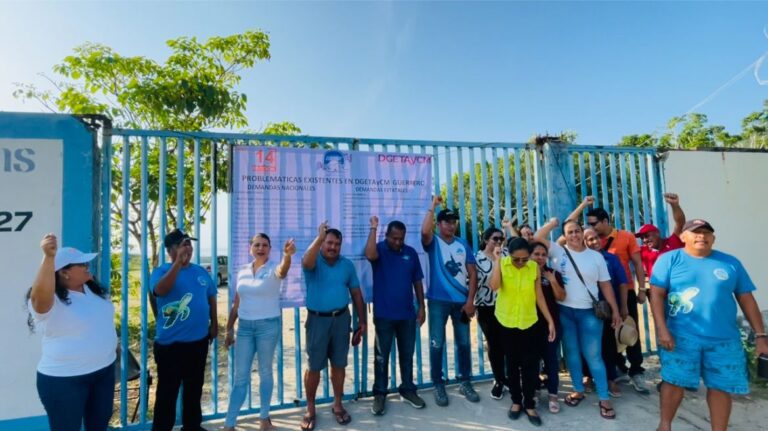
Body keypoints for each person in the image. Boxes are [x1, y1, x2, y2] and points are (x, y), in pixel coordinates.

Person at [650, 219, 768, 431]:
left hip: (724, 340)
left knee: (721, 387)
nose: (701, 236)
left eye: (706, 233)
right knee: (674, 382)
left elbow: (746, 299)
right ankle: (665, 425)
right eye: (695, 232)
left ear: (713, 238)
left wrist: (760, 335)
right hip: (681, 337)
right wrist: (662, 329)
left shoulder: (730, 263)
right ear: (683, 237)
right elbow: (657, 295)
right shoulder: (668, 260)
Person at [26, 234, 116, 431]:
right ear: (64, 272)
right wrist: (49, 258)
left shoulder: (93, 290)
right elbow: (38, 297)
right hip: (65, 381)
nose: (87, 266)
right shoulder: (49, 301)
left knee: (99, 426)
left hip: (103, 372)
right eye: (81, 264)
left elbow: (102, 323)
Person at [533, 218, 622, 420]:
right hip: (565, 312)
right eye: (569, 232)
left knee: (593, 356)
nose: (574, 235)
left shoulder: (596, 257)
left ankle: (604, 398)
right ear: (565, 235)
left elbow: (606, 285)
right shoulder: (558, 251)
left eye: (576, 231)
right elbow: (538, 238)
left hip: (589, 313)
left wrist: (615, 311)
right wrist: (552, 225)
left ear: (582, 232)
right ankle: (578, 390)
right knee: (572, 354)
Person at [224, 234, 296, 431]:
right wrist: (229, 328)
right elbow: (236, 303)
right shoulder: (242, 271)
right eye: (257, 245)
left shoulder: (274, 267)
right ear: (250, 248)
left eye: (265, 245)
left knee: (265, 372)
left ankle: (264, 418)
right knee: (240, 378)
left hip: (267, 326)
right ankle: (229, 424)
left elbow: (283, 271)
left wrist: (287, 256)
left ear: (270, 249)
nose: (260, 248)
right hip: (245, 328)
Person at [300, 223, 367, 431]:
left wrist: (362, 322)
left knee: (339, 365)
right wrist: (319, 238)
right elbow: (305, 261)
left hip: (341, 320)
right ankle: (310, 408)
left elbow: (356, 293)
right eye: (329, 242)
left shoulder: (347, 265)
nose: (333, 247)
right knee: (314, 367)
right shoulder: (314, 261)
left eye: (337, 244)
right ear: (322, 243)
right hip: (317, 321)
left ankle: (337, 404)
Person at [150, 228, 218, 431]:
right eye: (183, 244)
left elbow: (211, 296)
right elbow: (160, 291)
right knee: (167, 393)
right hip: (171, 345)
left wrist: (214, 324)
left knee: (194, 389)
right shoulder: (161, 271)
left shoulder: (200, 272)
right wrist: (178, 264)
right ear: (170, 250)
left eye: (189, 243)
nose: (188, 247)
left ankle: (192, 427)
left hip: (198, 342)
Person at [489, 238, 556, 427]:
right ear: (509, 254)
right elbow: (494, 287)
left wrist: (550, 320)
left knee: (530, 366)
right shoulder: (502, 264)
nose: (520, 263)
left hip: (529, 322)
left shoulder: (533, 267)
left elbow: (539, 296)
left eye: (524, 259)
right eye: (516, 259)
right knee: (511, 364)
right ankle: (516, 401)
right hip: (506, 322)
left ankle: (529, 403)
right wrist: (496, 262)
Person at [421, 196, 480, 406]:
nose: (451, 225)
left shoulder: (463, 244)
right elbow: (424, 232)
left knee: (464, 342)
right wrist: (432, 206)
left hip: (462, 303)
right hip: (438, 302)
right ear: (439, 224)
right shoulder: (433, 241)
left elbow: (473, 274)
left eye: (453, 221)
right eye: (446, 221)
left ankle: (465, 381)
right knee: (437, 344)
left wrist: (470, 300)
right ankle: (438, 384)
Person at [365, 217, 427, 415]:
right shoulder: (380, 249)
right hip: (384, 314)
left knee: (407, 355)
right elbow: (369, 254)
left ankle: (408, 389)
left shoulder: (410, 253)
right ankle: (380, 394)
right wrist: (373, 227)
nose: (397, 242)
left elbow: (417, 280)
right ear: (387, 236)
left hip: (407, 314)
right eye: (394, 238)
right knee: (382, 357)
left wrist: (421, 306)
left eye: (401, 239)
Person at [585, 205, 649, 394]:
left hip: (625, 291)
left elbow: (637, 263)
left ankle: (636, 370)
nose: (592, 228)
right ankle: (619, 367)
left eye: (594, 224)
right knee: (608, 335)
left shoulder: (626, 236)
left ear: (605, 221)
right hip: (600, 297)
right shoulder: (590, 242)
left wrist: (642, 289)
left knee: (629, 329)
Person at [582, 227, 629, 398]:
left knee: (608, 344)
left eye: (596, 238)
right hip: (586, 309)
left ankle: (611, 379)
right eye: (589, 239)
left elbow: (623, 283)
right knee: (587, 345)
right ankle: (588, 376)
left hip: (607, 309)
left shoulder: (612, 259)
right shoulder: (580, 259)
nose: (594, 242)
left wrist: (622, 307)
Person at [529, 241, 565, 413]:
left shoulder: (553, 274)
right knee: (532, 361)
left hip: (551, 325)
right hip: (530, 325)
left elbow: (562, 297)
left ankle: (552, 395)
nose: (540, 257)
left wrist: (552, 281)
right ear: (529, 255)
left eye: (543, 254)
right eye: (536, 254)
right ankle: (534, 392)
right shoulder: (525, 273)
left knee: (551, 361)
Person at [474, 227, 508, 399]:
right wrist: (496, 260)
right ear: (486, 239)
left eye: (501, 239)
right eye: (495, 239)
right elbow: (476, 283)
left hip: (507, 304)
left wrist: (508, 227)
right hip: (486, 306)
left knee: (508, 343)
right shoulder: (477, 258)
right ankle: (499, 379)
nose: (499, 242)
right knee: (494, 344)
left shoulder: (507, 254)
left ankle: (508, 377)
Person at [635, 193, 686, 279]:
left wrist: (675, 205)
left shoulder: (673, 241)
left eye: (647, 236)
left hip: (678, 288)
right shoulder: (643, 251)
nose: (644, 240)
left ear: (657, 233)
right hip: (657, 290)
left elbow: (680, 223)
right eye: (642, 238)